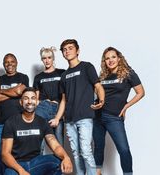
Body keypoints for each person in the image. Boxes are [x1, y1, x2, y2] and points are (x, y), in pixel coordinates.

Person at [50, 39, 105, 175]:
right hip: (69, 120)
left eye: (70, 48)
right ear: (62, 53)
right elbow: (63, 100)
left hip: (85, 117)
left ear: (77, 50)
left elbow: (98, 86)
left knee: (85, 151)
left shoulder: (87, 67)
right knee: (76, 153)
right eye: (64, 49)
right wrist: (57, 118)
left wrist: (102, 99)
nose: (67, 51)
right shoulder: (63, 76)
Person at [93, 47, 145, 175]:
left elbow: (141, 92)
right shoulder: (103, 76)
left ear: (119, 58)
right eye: (107, 58)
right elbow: (98, 93)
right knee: (98, 148)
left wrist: (126, 106)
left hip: (114, 117)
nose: (110, 60)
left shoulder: (128, 73)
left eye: (113, 57)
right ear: (104, 61)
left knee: (124, 149)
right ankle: (96, 173)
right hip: (97, 116)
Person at [1, 87, 73, 175]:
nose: (29, 102)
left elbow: (55, 146)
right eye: (26, 98)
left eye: (33, 98)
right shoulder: (10, 122)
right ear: (21, 102)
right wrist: (21, 171)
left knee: (58, 162)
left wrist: (66, 157)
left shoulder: (42, 122)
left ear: (37, 102)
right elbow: (5, 154)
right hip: (17, 164)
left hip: (37, 163)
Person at [0, 53, 29, 175]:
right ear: (4, 64)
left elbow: (20, 92)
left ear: (16, 63)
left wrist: (1, 91)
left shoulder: (23, 77)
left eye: (12, 61)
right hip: (0, 122)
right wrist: (13, 91)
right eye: (7, 62)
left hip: (18, 121)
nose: (9, 64)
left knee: (16, 152)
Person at [33, 47, 65, 151]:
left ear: (53, 58)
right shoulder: (38, 77)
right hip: (42, 108)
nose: (47, 60)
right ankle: (39, 166)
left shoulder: (62, 73)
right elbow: (36, 97)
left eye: (49, 57)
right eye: (44, 58)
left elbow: (66, 95)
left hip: (57, 108)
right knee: (39, 144)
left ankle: (60, 167)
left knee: (59, 145)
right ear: (42, 59)